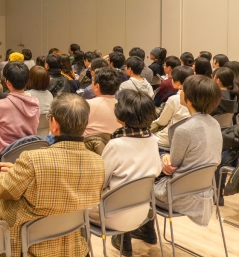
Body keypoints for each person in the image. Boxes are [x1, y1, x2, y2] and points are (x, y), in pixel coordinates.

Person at [0, 94, 104, 257]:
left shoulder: (33, 159)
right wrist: (17, 170)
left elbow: (5, 191)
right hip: (70, 241)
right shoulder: (98, 162)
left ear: (55, 124)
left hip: (26, 244)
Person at [91, 90, 162, 254]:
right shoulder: (152, 140)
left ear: (121, 115)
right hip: (142, 212)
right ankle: (125, 240)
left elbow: (100, 181)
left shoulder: (116, 145)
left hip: (110, 215)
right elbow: (156, 171)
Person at [154, 76, 223, 230]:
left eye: (183, 89)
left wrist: (163, 157)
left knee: (138, 186)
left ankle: (142, 232)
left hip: (179, 194)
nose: (179, 90)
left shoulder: (184, 129)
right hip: (203, 192)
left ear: (190, 100)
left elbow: (172, 165)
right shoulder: (215, 123)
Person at [0, 62, 40, 161]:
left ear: (8, 83)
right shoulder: (36, 103)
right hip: (28, 156)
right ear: (27, 81)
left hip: (3, 157)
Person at [151, 66, 194, 148]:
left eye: (172, 78)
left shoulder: (174, 99)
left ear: (178, 82)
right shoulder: (197, 97)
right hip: (189, 138)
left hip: (169, 138)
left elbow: (162, 122)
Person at [84, 68, 121, 155]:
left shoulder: (86, 105)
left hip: (89, 152)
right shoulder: (122, 107)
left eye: (92, 80)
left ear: (97, 86)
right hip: (115, 153)